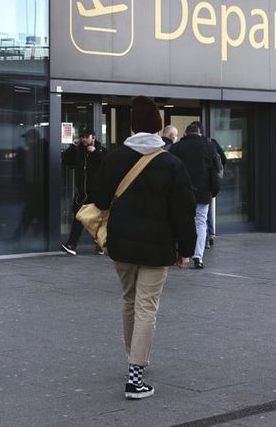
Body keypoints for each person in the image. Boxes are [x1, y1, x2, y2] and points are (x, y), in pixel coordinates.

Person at [91, 96, 196, 400]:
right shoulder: (171, 163)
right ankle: (135, 377)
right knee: (146, 306)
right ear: (159, 128)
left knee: (129, 300)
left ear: (133, 127)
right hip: (157, 247)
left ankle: (133, 356)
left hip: (120, 244)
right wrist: (185, 248)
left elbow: (99, 199)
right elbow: (183, 211)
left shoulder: (114, 158)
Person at [169, 122, 222, 269]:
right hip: (202, 193)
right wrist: (213, 190)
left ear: (185, 134)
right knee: (200, 222)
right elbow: (215, 170)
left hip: (181, 193)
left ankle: (181, 253)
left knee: (179, 221)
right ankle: (198, 257)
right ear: (199, 133)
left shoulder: (177, 147)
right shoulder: (208, 146)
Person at [60, 127, 106, 255]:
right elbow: (66, 161)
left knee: (97, 219)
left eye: (86, 137)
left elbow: (107, 165)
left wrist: (96, 153)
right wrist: (72, 147)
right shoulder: (79, 150)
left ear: (93, 137)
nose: (84, 139)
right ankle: (72, 245)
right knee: (79, 216)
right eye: (82, 137)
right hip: (82, 191)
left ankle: (100, 245)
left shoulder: (101, 150)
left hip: (97, 192)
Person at [191, 121, 227, 249]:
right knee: (206, 212)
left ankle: (205, 238)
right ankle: (209, 236)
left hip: (198, 184)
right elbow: (223, 158)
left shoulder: (198, 145)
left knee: (201, 215)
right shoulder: (212, 143)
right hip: (209, 184)